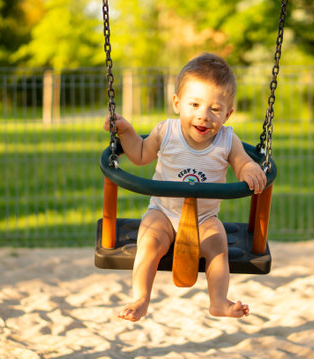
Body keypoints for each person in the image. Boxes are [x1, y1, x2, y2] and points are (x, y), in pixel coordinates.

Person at [103, 53, 267, 322]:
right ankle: (141, 298)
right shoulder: (165, 131)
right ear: (177, 103)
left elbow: (242, 163)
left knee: (218, 245)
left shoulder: (228, 139)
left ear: (228, 113)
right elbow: (141, 155)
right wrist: (127, 133)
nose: (204, 116)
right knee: (149, 243)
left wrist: (250, 169)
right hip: (163, 211)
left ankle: (218, 301)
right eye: (194, 104)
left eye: (215, 109)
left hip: (205, 218)